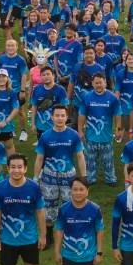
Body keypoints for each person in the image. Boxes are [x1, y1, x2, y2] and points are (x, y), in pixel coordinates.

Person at [34, 104, 85, 244]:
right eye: (57, 115)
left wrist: (84, 177)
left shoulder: (74, 135)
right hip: (49, 177)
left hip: (68, 176)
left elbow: (80, 156)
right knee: (48, 207)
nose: (60, 118)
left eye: (63, 115)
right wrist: (35, 178)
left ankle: (69, 234)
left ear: (67, 117)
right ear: (52, 117)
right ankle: (48, 236)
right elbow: (39, 158)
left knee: (70, 205)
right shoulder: (45, 136)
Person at [77, 74, 119, 187]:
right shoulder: (87, 97)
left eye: (101, 82)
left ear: (105, 83)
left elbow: (117, 114)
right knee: (90, 160)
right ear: (92, 83)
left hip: (107, 137)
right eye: (96, 83)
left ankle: (110, 178)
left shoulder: (112, 98)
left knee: (108, 160)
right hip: (90, 137)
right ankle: (90, 178)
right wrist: (80, 130)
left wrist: (118, 129)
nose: (99, 85)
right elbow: (81, 114)